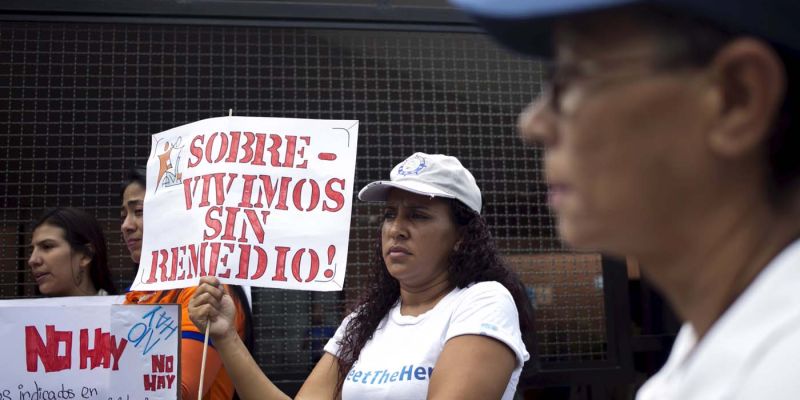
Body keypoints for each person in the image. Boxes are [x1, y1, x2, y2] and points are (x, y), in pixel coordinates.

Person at [451, 0, 800, 398]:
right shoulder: (716, 349)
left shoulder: (783, 367)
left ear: (737, 98)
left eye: (572, 76)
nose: (532, 124)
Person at [188, 152, 535, 400]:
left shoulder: (483, 301)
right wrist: (226, 337)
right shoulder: (364, 320)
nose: (396, 229)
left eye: (418, 215)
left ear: (461, 236)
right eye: (389, 214)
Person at [120, 166, 254, 400]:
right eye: (124, 215)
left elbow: (179, 391)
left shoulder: (204, 291)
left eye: (139, 211)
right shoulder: (140, 292)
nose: (126, 226)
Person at [29, 207, 118, 296]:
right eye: (32, 250)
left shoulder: (120, 308)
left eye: (47, 246)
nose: (32, 260)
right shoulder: (30, 309)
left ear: (85, 255)